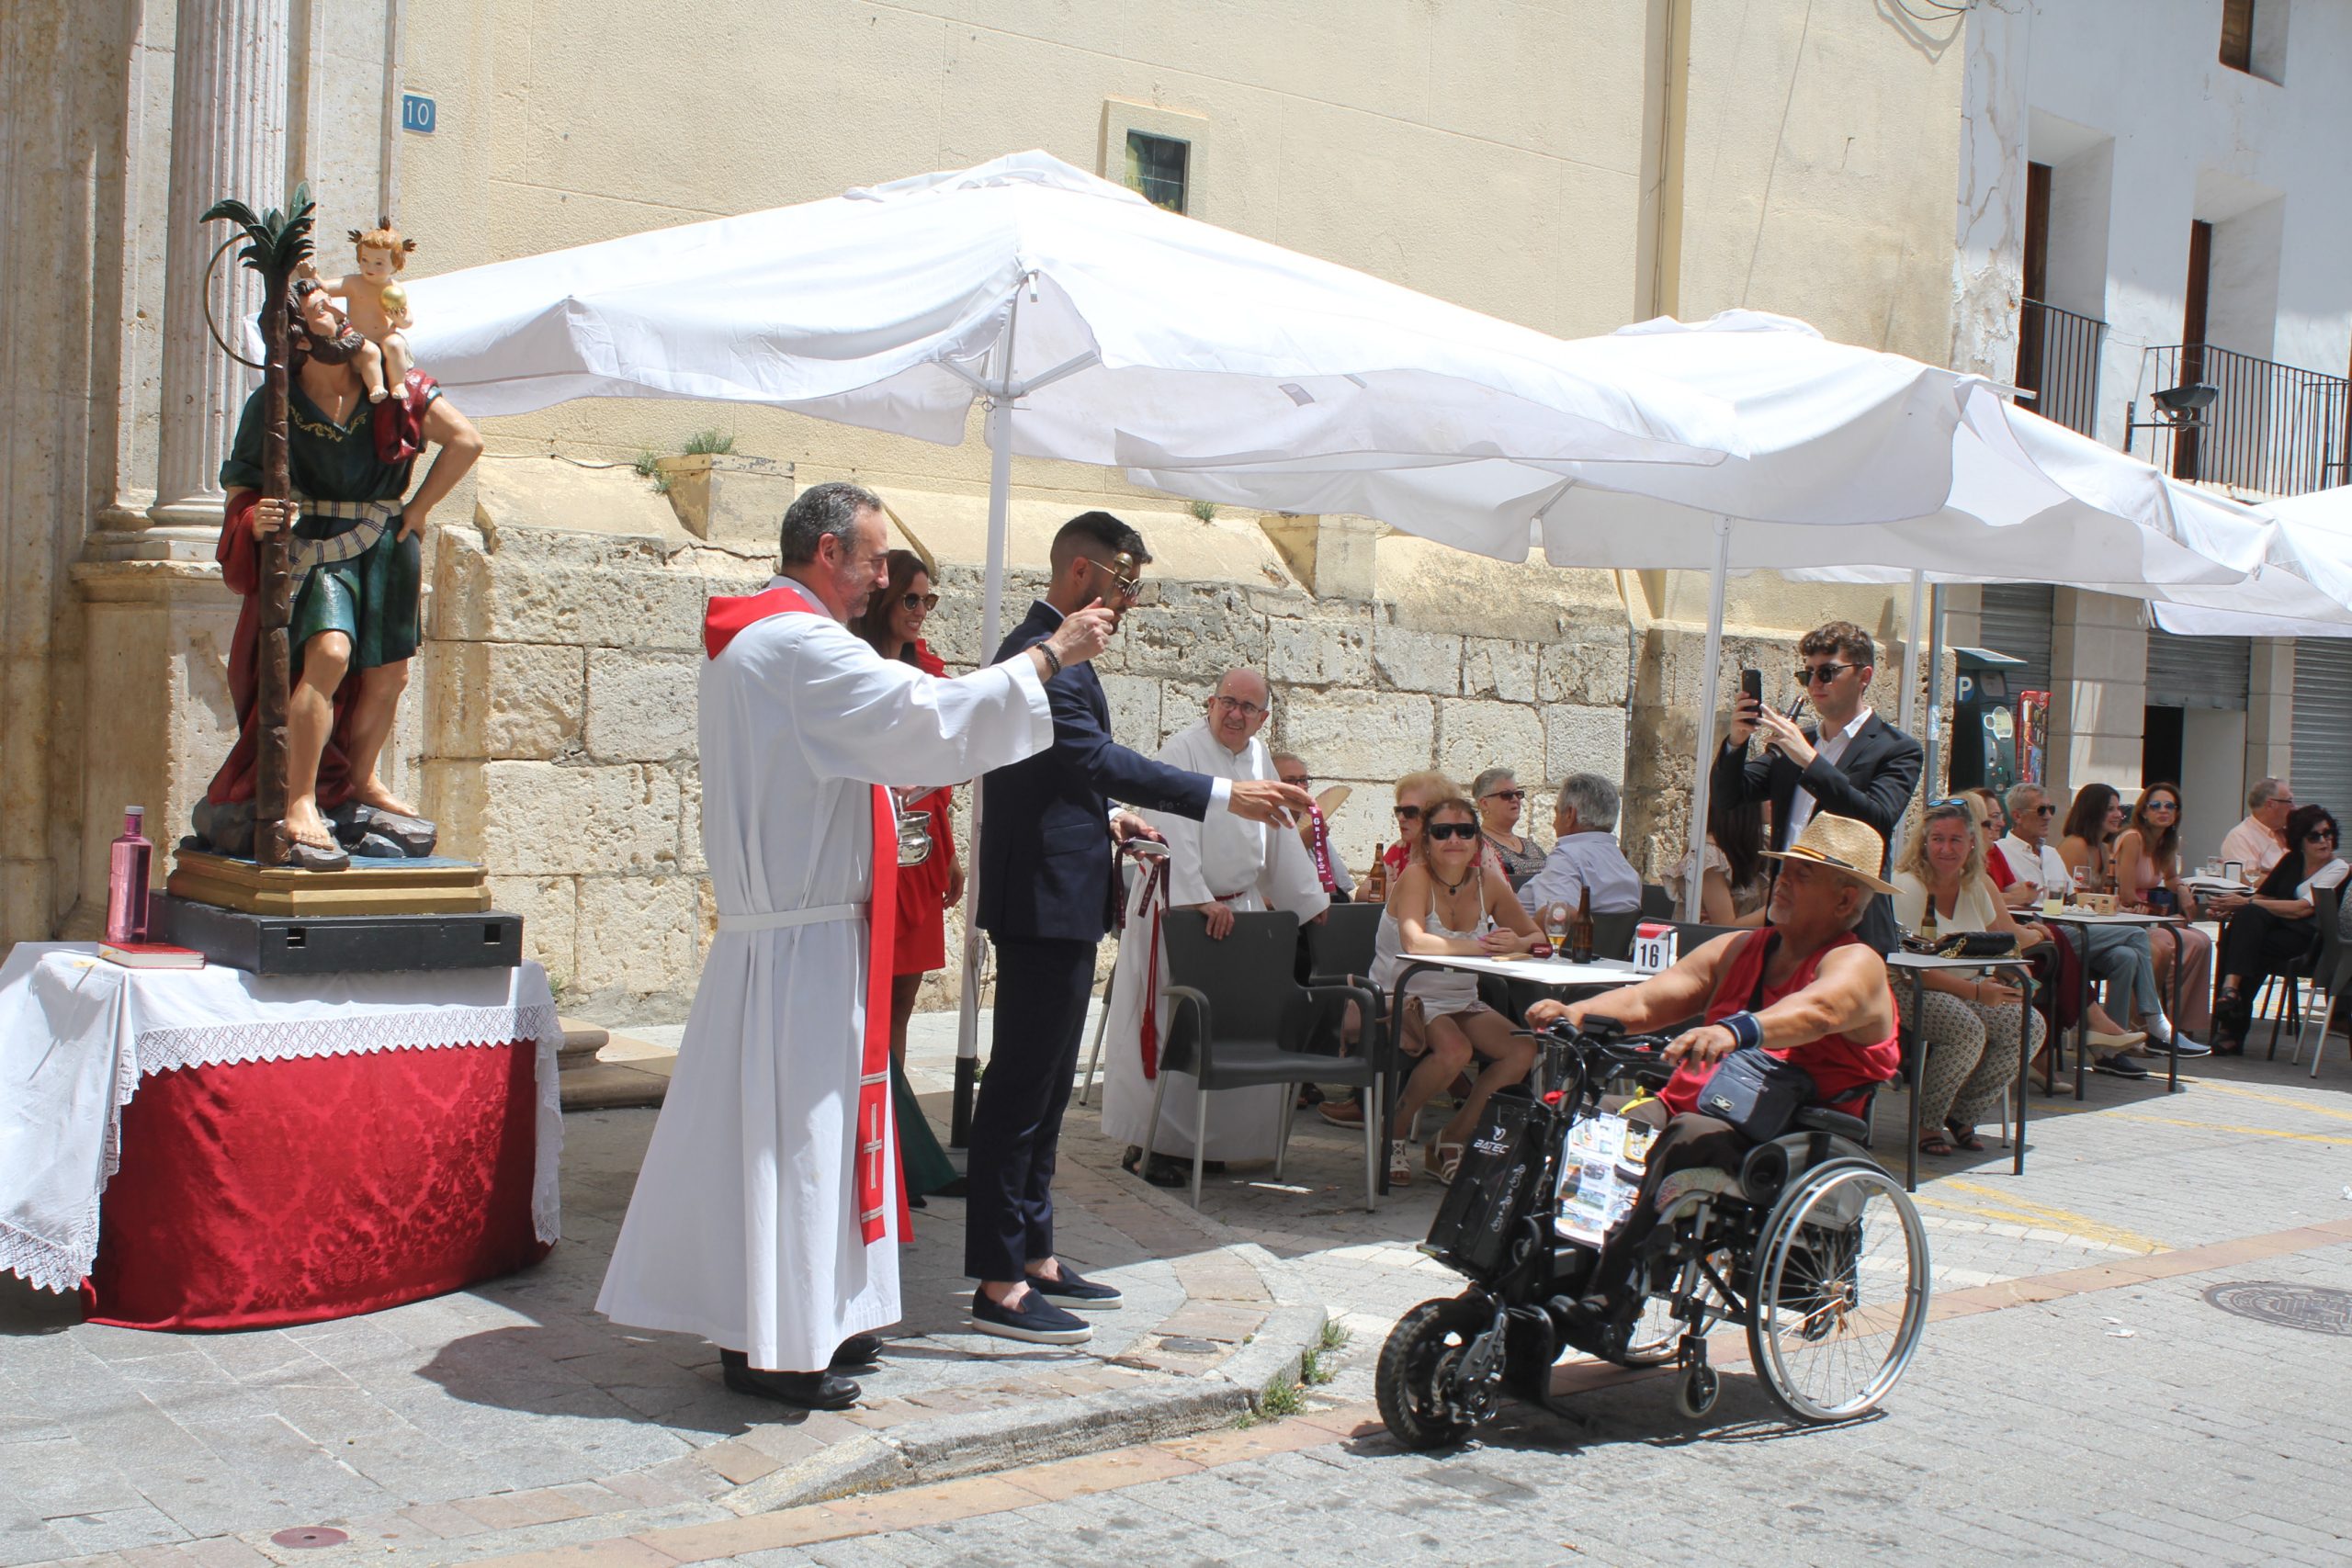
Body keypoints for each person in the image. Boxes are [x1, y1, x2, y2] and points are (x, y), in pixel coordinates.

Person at [595, 482, 1115, 1411]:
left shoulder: (765, 639)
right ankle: (776, 1348)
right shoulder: (800, 644)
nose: (885, 578)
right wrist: (1048, 656)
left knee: (807, 1145)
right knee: (798, 1145)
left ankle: (802, 1321)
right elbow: (923, 716)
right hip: (801, 948)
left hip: (797, 936)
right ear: (828, 551)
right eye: (875, 560)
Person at [969, 513, 1311, 1346]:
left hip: (1064, 895)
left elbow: (1061, 777)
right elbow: (1091, 758)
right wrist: (1224, 793)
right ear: (1082, 573)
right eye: (1125, 584)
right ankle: (1000, 1279)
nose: (1129, 602)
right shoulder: (1037, 654)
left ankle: (1036, 1253)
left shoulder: (1063, 658)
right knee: (1019, 1090)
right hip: (1040, 902)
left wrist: (1111, 819)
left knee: (1049, 1090)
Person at [1526, 813, 1902, 1345]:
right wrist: (1577, 1014)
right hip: (1697, 1107)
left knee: (1689, 1137)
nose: (1783, 882)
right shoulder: (1743, 948)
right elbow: (1649, 999)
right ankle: (1552, 1269)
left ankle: (1611, 1301)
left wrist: (1735, 1030)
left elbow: (1819, 1010)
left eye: (1803, 875)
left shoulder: (1857, 962)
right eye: (1784, 870)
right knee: (1597, 1120)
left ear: (1845, 901)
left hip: (1786, 1131)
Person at [201, 277, 481, 869]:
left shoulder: (394, 388)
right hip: (319, 546)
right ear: (299, 338)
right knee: (328, 655)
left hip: (386, 543)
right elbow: (243, 488)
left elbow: (465, 441)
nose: (338, 310)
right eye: (321, 309)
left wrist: (418, 510)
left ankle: (358, 781)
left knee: (388, 675)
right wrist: (256, 519)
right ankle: (300, 799)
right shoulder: (275, 403)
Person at [1101, 669, 1332, 1182]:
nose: (1235, 713)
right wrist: (1199, 899)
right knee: (1173, 1026)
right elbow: (1172, 825)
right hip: (1179, 910)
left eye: (1248, 707)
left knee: (1230, 1027)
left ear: (1263, 718)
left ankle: (1211, 1143)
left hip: (1237, 911)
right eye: (1228, 701)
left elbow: (1277, 831)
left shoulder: (1258, 756)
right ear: (1210, 703)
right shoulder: (1181, 750)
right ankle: (1153, 1146)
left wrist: (1307, 898)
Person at [843, 549, 966, 1204]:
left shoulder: (932, 672)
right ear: (887, 602)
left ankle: (900, 1147)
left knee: (903, 1008)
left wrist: (951, 854)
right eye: (910, 600)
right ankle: (888, 1152)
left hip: (921, 854)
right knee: (870, 1008)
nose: (920, 611)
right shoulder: (859, 668)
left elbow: (942, 782)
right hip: (872, 855)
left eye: (928, 600)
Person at [1714, 621, 1923, 953]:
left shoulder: (1896, 748)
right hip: (1785, 919)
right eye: (1807, 673)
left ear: (1864, 676)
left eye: (1827, 672)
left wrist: (1810, 762)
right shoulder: (1798, 741)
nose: (1814, 684)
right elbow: (1729, 796)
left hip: (1850, 927)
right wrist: (1736, 743)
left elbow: (1878, 818)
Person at [1370, 795, 1543, 1186]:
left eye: (1464, 831)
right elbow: (1414, 942)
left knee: (1523, 1049)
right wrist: (1486, 947)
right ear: (1426, 840)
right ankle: (1392, 1132)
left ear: (1477, 840)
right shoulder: (1416, 877)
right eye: (1442, 831)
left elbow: (1537, 938)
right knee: (1455, 1050)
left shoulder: (1487, 882)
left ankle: (1450, 1140)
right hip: (1404, 997)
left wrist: (1516, 943)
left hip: (1460, 998)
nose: (1454, 840)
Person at [1889, 799, 2050, 1156]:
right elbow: (1911, 969)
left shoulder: (1974, 885)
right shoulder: (1907, 886)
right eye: (1938, 839)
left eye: (1956, 840)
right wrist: (1977, 992)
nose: (1946, 849)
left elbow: (2000, 943)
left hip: (1970, 986)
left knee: (2029, 1025)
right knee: (1966, 1029)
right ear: (1924, 842)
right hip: (1911, 986)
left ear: (1972, 843)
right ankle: (1928, 1123)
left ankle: (1963, 1114)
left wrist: (2019, 979)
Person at [1318, 771, 1456, 1133]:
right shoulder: (1399, 852)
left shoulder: (1461, 855)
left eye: (1411, 812)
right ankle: (1377, 1106)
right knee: (1389, 993)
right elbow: (1365, 893)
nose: (1402, 819)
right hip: (1406, 975)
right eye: (1399, 811)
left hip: (1447, 977)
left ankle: (1393, 1108)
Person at [1997, 783, 2156, 1073]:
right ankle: (2153, 1019)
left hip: (2065, 929)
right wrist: (2021, 898)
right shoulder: (2002, 852)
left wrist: (2108, 905)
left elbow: (2072, 899)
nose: (2049, 816)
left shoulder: (2051, 854)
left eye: (2051, 809)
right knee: (2136, 934)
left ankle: (2108, 1050)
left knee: (2126, 956)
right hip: (2038, 935)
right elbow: (1998, 903)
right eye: (2041, 810)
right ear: (2017, 816)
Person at [2212, 805, 2344, 1055]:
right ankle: (2230, 999)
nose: (2324, 841)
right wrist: (2232, 907)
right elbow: (2262, 896)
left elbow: (2301, 909)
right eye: (2315, 836)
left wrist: (2244, 904)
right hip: (2274, 934)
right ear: (2300, 841)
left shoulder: (2339, 869)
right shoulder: (2292, 861)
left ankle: (2230, 1018)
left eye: (2328, 834)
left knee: (2238, 940)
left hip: (2308, 940)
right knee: (2248, 930)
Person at [2112, 784, 2214, 1053]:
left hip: (2151, 916)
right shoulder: (2133, 839)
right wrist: (2166, 917)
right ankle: (2142, 1026)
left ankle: (2181, 1023)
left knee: (2202, 942)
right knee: (2170, 943)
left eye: (2170, 806)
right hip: (2130, 916)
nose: (2163, 811)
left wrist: (2183, 890)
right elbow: (2127, 895)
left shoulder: (2167, 841)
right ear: (2144, 812)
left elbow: (2170, 878)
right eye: (2156, 805)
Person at [1516, 773, 1643, 922]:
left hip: (1543, 938)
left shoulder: (1566, 856)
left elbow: (1556, 918)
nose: (1554, 824)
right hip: (1611, 937)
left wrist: (1523, 935)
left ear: (1570, 814)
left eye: (1557, 813)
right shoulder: (1621, 862)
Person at [1670, 788, 1770, 926]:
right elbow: (1725, 926)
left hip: (1746, 937)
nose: (1773, 802)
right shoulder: (1710, 855)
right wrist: (1776, 909)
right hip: (1707, 938)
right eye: (1767, 795)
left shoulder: (1759, 846)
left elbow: (1767, 903)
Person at [1273, 750, 1353, 899]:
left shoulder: (1310, 820)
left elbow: (1342, 884)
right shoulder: (1262, 824)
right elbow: (1267, 879)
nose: (1300, 787)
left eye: (1304, 780)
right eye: (1290, 781)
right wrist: (1301, 844)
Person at [1472, 768, 1548, 887]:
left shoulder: (1532, 846)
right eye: (1506, 795)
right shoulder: (1476, 846)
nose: (1515, 799)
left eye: (1518, 794)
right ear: (1484, 804)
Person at [2219, 778, 2295, 882]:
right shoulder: (2241, 836)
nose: (2294, 807)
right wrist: (2291, 882)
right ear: (2270, 804)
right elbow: (2247, 878)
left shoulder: (2292, 832)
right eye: (2289, 801)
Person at [2058, 784, 2128, 895]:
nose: (2118, 814)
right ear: (2092, 812)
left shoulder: (2103, 849)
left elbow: (2097, 896)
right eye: (2110, 809)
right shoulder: (2076, 845)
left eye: (2118, 808)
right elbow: (2070, 895)